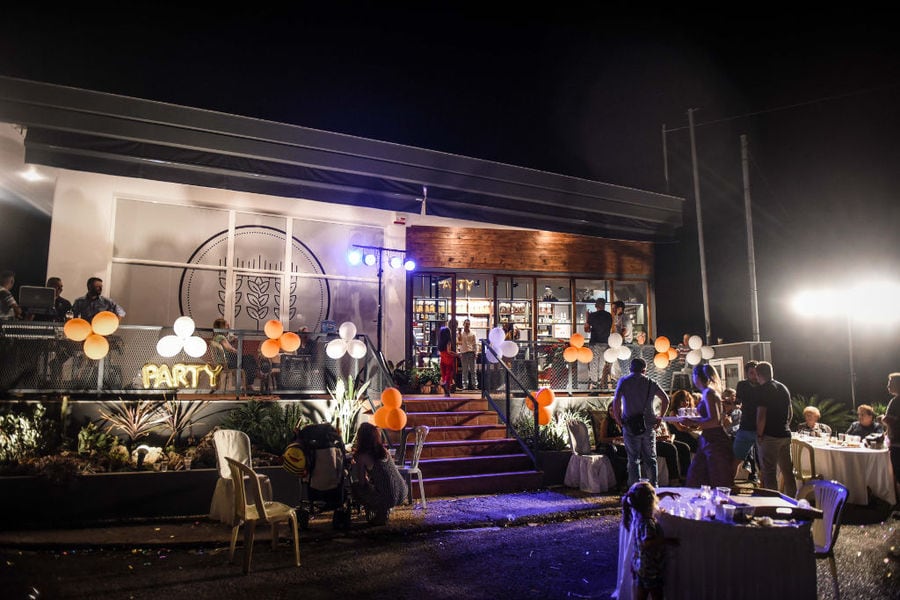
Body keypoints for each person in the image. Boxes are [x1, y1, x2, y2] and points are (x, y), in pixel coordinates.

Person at [611, 358, 670, 487]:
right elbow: (665, 399)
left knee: (633, 459)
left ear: (631, 369)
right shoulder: (650, 382)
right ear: (644, 370)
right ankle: (654, 488)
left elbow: (616, 401)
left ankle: (635, 489)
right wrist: (660, 418)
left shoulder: (624, 381)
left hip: (630, 424)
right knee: (650, 459)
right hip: (648, 424)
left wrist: (618, 419)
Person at [622, 481, 678, 600]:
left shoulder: (638, 514)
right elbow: (646, 543)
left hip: (639, 565)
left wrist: (666, 493)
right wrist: (667, 540)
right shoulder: (648, 523)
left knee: (641, 594)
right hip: (651, 569)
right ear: (651, 502)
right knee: (657, 595)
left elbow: (651, 498)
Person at [683, 363, 735, 488]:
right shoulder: (710, 392)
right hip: (708, 439)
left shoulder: (708, 393)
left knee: (710, 479)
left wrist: (693, 422)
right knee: (699, 476)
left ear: (697, 377)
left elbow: (714, 420)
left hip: (714, 440)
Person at [350, 422, 408, 526]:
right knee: (378, 485)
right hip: (402, 492)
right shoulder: (384, 451)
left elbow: (362, 482)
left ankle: (381, 511)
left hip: (389, 497)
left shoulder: (362, 456)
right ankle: (382, 509)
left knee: (355, 487)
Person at [754, 361, 796, 497]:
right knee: (787, 471)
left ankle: (773, 501)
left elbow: (761, 415)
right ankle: (792, 499)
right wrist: (786, 425)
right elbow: (790, 412)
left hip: (769, 436)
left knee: (769, 473)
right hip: (784, 434)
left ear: (758, 374)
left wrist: (759, 435)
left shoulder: (763, 390)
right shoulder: (783, 387)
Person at [733, 361, 760, 484]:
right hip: (746, 425)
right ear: (747, 374)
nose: (754, 375)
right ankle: (729, 483)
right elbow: (738, 401)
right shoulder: (742, 385)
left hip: (761, 427)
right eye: (751, 373)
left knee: (763, 461)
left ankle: (761, 485)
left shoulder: (763, 385)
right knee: (736, 457)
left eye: (756, 373)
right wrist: (734, 403)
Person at [584, 298, 612, 390]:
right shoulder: (609, 316)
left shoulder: (593, 316)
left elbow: (586, 329)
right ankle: (599, 382)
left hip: (595, 342)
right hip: (605, 343)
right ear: (604, 305)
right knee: (601, 364)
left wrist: (587, 318)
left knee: (594, 364)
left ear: (596, 306)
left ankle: (594, 385)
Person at [881, 373, 900, 491]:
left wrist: (882, 419)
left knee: (898, 474)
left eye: (890, 383)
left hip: (897, 443)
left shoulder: (896, 401)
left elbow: (891, 420)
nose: (888, 386)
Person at [666, 389, 699, 453]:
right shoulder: (673, 413)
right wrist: (692, 429)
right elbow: (680, 428)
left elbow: (693, 425)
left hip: (686, 435)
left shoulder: (687, 412)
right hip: (678, 437)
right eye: (683, 400)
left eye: (687, 400)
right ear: (678, 401)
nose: (686, 403)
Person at [437, 318, 456, 397]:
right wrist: (457, 354)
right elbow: (449, 351)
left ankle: (446, 392)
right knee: (449, 373)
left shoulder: (440, 342)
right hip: (448, 358)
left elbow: (440, 352)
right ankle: (446, 388)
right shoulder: (448, 341)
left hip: (443, 358)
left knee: (444, 374)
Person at [457, 318, 478, 390]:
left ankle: (474, 385)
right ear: (463, 324)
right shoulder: (461, 333)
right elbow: (459, 342)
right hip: (463, 353)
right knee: (464, 370)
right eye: (466, 324)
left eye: (468, 324)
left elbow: (475, 344)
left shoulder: (473, 333)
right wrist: (459, 333)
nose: (467, 325)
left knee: (473, 370)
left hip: (471, 352)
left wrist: (476, 352)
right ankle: (465, 386)